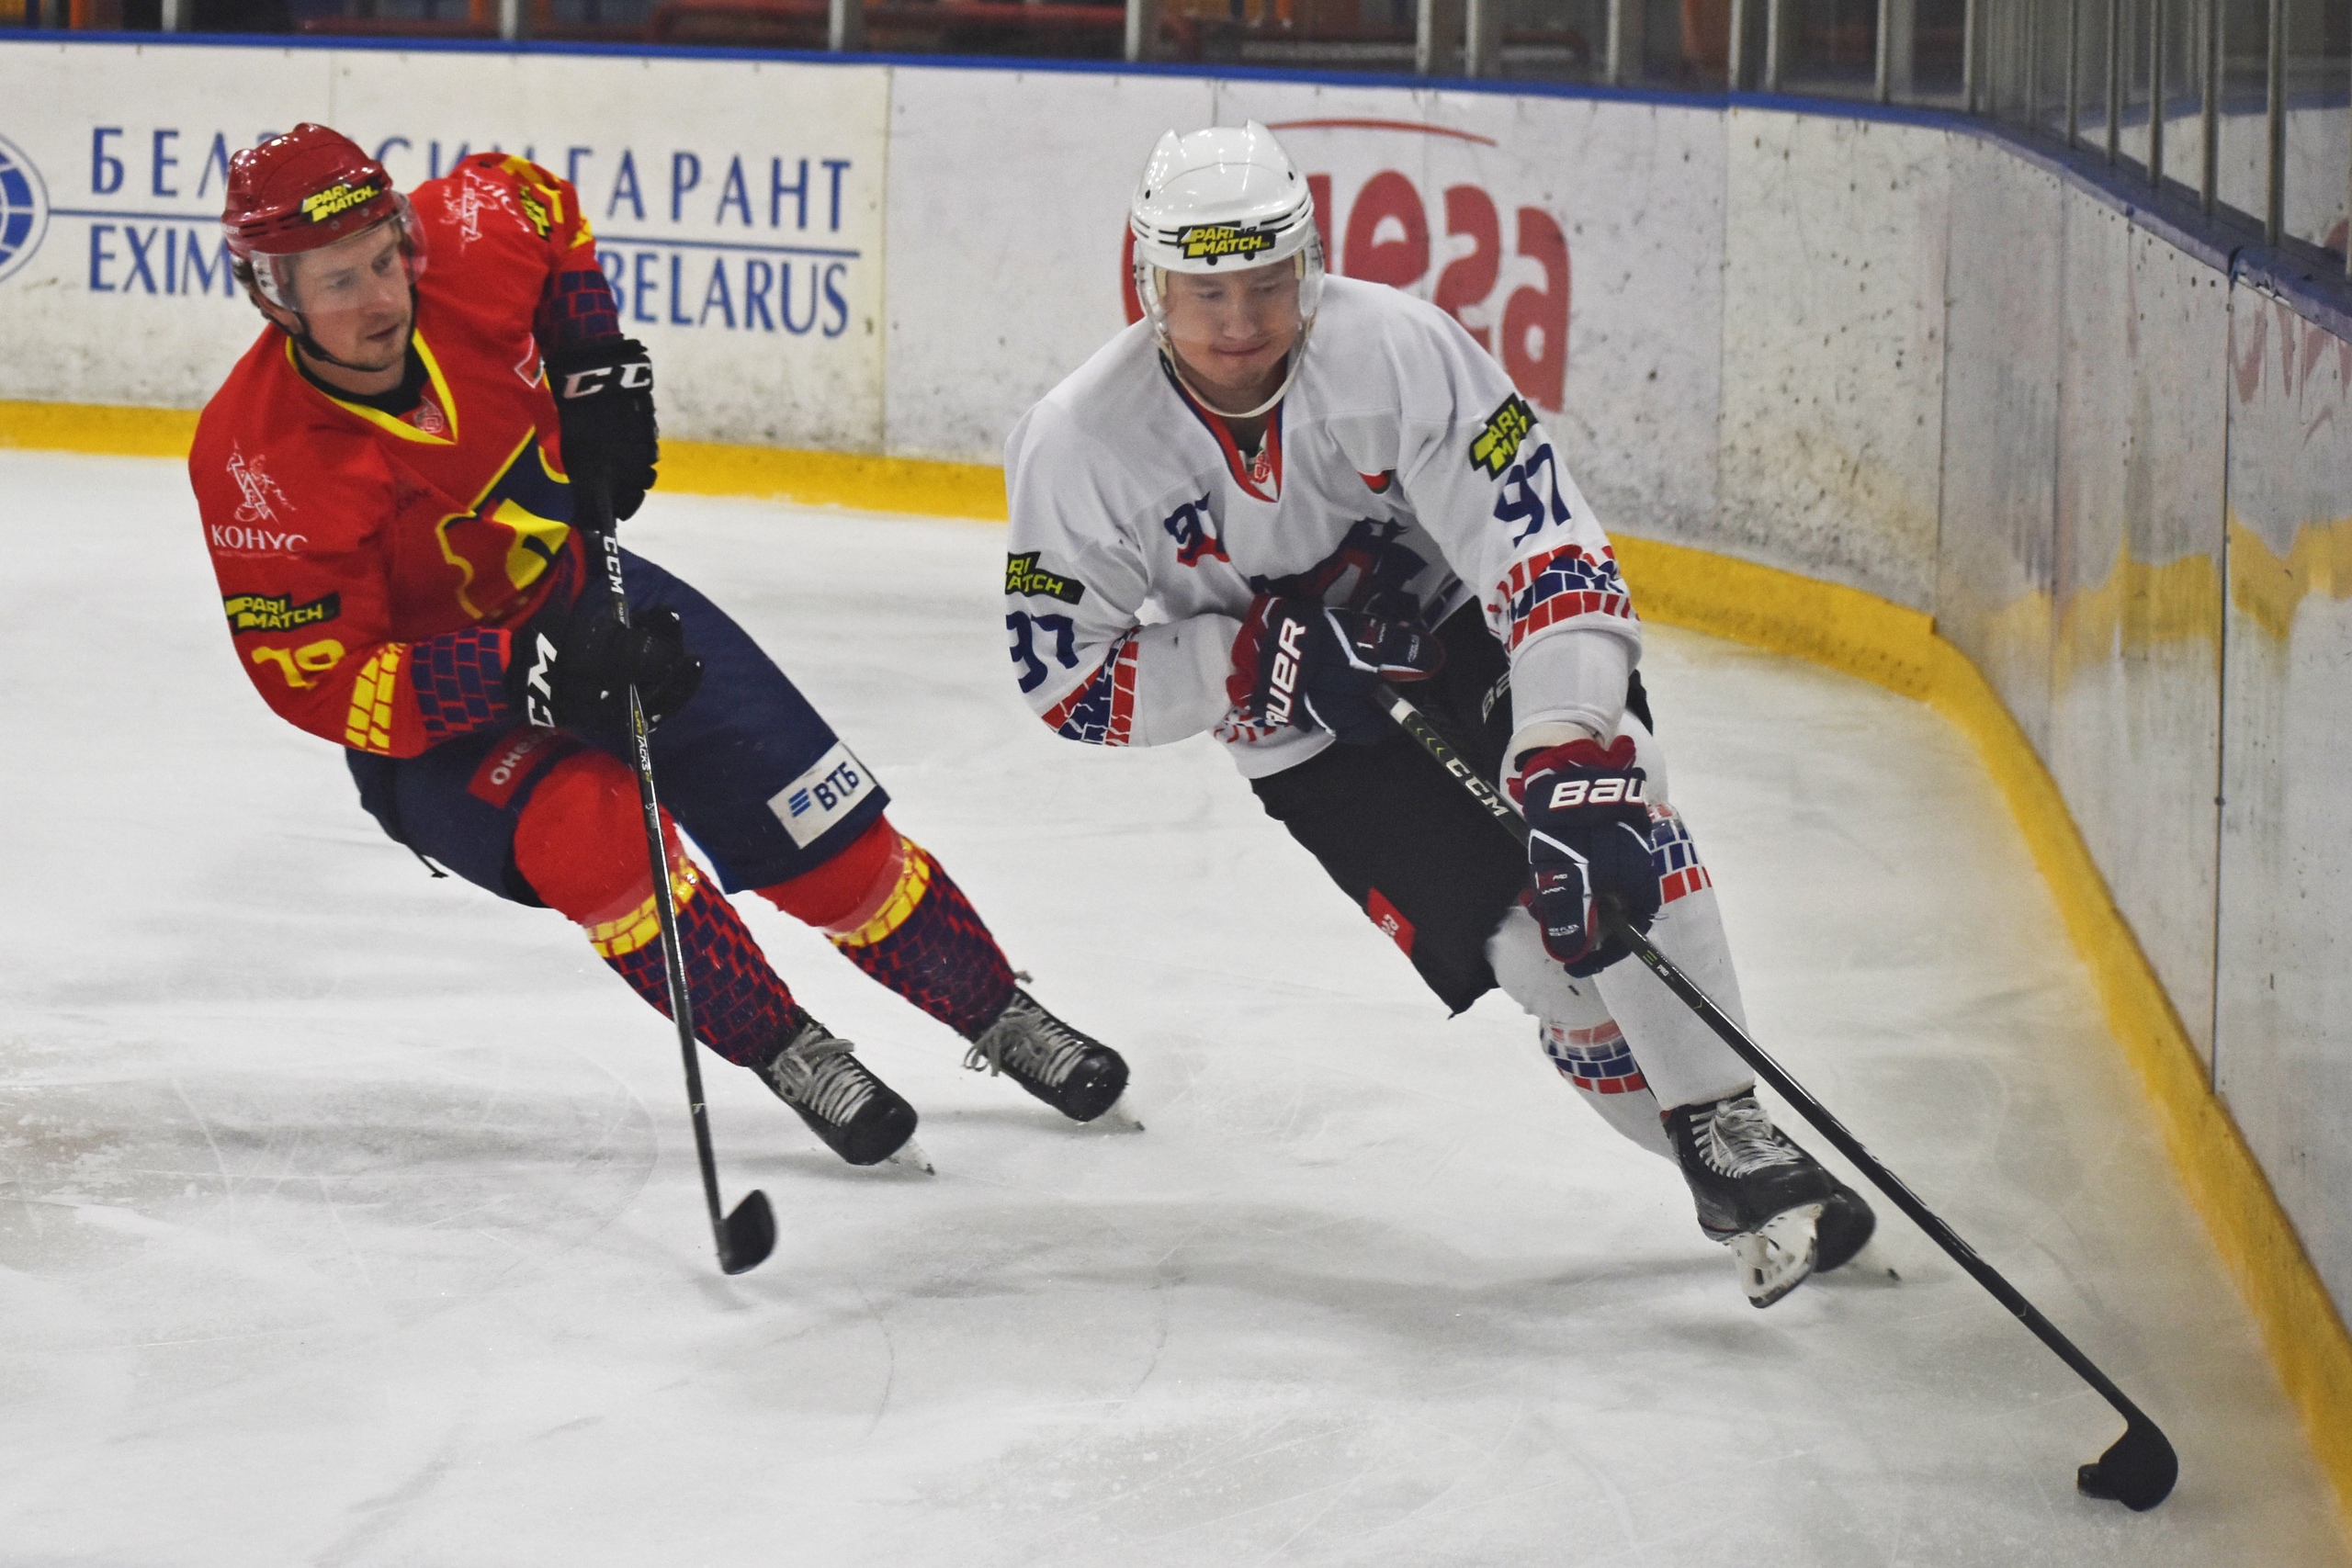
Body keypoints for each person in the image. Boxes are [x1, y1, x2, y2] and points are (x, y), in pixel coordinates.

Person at [1002, 121, 1874, 1306]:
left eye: (1266, 281)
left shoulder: (1400, 350)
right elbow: (1067, 680)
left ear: (1309, 264)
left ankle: (1733, 1138)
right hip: (1304, 735)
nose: (1240, 320)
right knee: (1538, 962)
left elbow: (1543, 550)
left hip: (1468, 630)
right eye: (1205, 290)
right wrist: (1250, 662)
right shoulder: (1078, 444)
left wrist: (1564, 741)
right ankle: (1732, 1175)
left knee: (1609, 836)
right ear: (1152, 284)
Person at [189, 124, 1125, 1173]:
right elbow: (317, 681)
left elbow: (535, 198)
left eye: (382, 259)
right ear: (274, 295)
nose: (381, 298)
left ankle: (997, 1009)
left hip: (583, 599)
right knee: (596, 837)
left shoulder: (459, 247)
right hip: (445, 727)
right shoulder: (255, 460)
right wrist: (514, 675)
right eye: (338, 282)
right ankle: (790, 1050)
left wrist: (590, 357)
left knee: (816, 820)